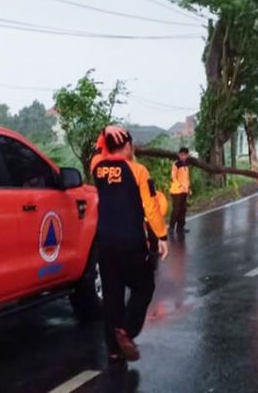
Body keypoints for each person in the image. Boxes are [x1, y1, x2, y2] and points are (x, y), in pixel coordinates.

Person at [91, 126, 168, 368]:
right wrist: (162, 235)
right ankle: (126, 331)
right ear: (127, 146)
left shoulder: (96, 167)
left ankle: (114, 351)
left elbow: (97, 150)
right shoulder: (138, 171)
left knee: (112, 296)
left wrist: (104, 131)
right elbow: (151, 207)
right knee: (144, 287)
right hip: (132, 242)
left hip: (104, 242)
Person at [169, 147, 191, 234]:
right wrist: (180, 185)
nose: (183, 157)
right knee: (176, 210)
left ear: (187, 155)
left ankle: (180, 227)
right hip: (176, 190)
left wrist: (188, 187)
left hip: (184, 190)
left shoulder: (186, 165)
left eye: (185, 155)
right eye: (181, 155)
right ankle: (171, 227)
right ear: (179, 155)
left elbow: (187, 178)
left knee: (183, 209)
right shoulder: (176, 164)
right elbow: (173, 177)